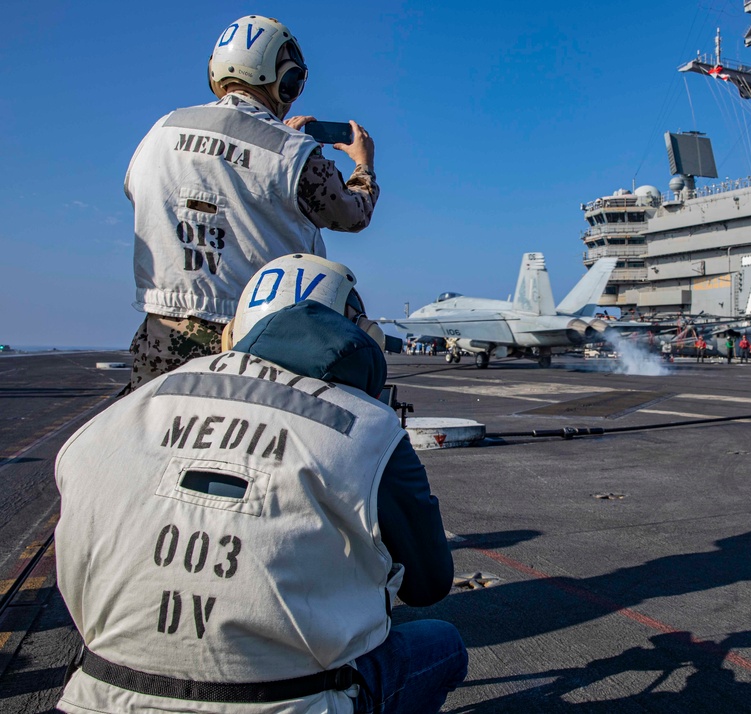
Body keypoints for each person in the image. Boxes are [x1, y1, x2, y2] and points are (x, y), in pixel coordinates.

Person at [55, 254, 467, 714]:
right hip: (294, 703)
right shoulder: (371, 428)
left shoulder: (122, 415)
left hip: (96, 696)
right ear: (361, 334)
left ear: (232, 332)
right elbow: (428, 584)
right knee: (444, 644)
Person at [125, 15, 380, 393]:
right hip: (258, 336)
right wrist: (364, 164)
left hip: (164, 329)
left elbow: (142, 193)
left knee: (155, 434)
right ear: (287, 81)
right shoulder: (292, 151)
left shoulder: (160, 131)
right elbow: (353, 215)